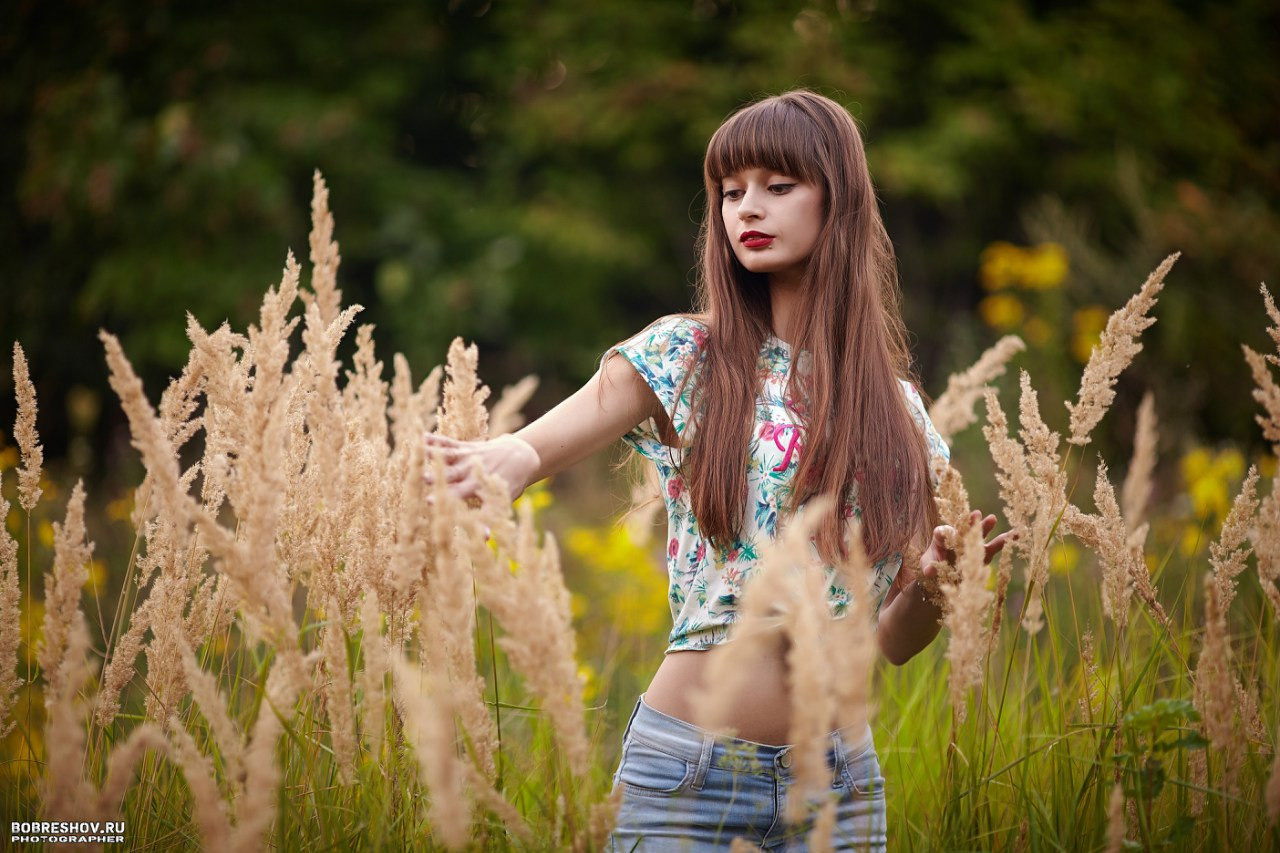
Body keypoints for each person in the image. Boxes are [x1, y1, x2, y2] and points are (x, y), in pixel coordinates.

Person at [422, 90, 1014, 851]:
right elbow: (552, 436)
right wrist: (513, 455)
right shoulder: (690, 355)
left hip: (839, 788)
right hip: (686, 778)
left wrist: (937, 588)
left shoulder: (896, 409)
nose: (747, 209)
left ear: (839, 201)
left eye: (777, 185)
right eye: (731, 192)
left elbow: (895, 640)